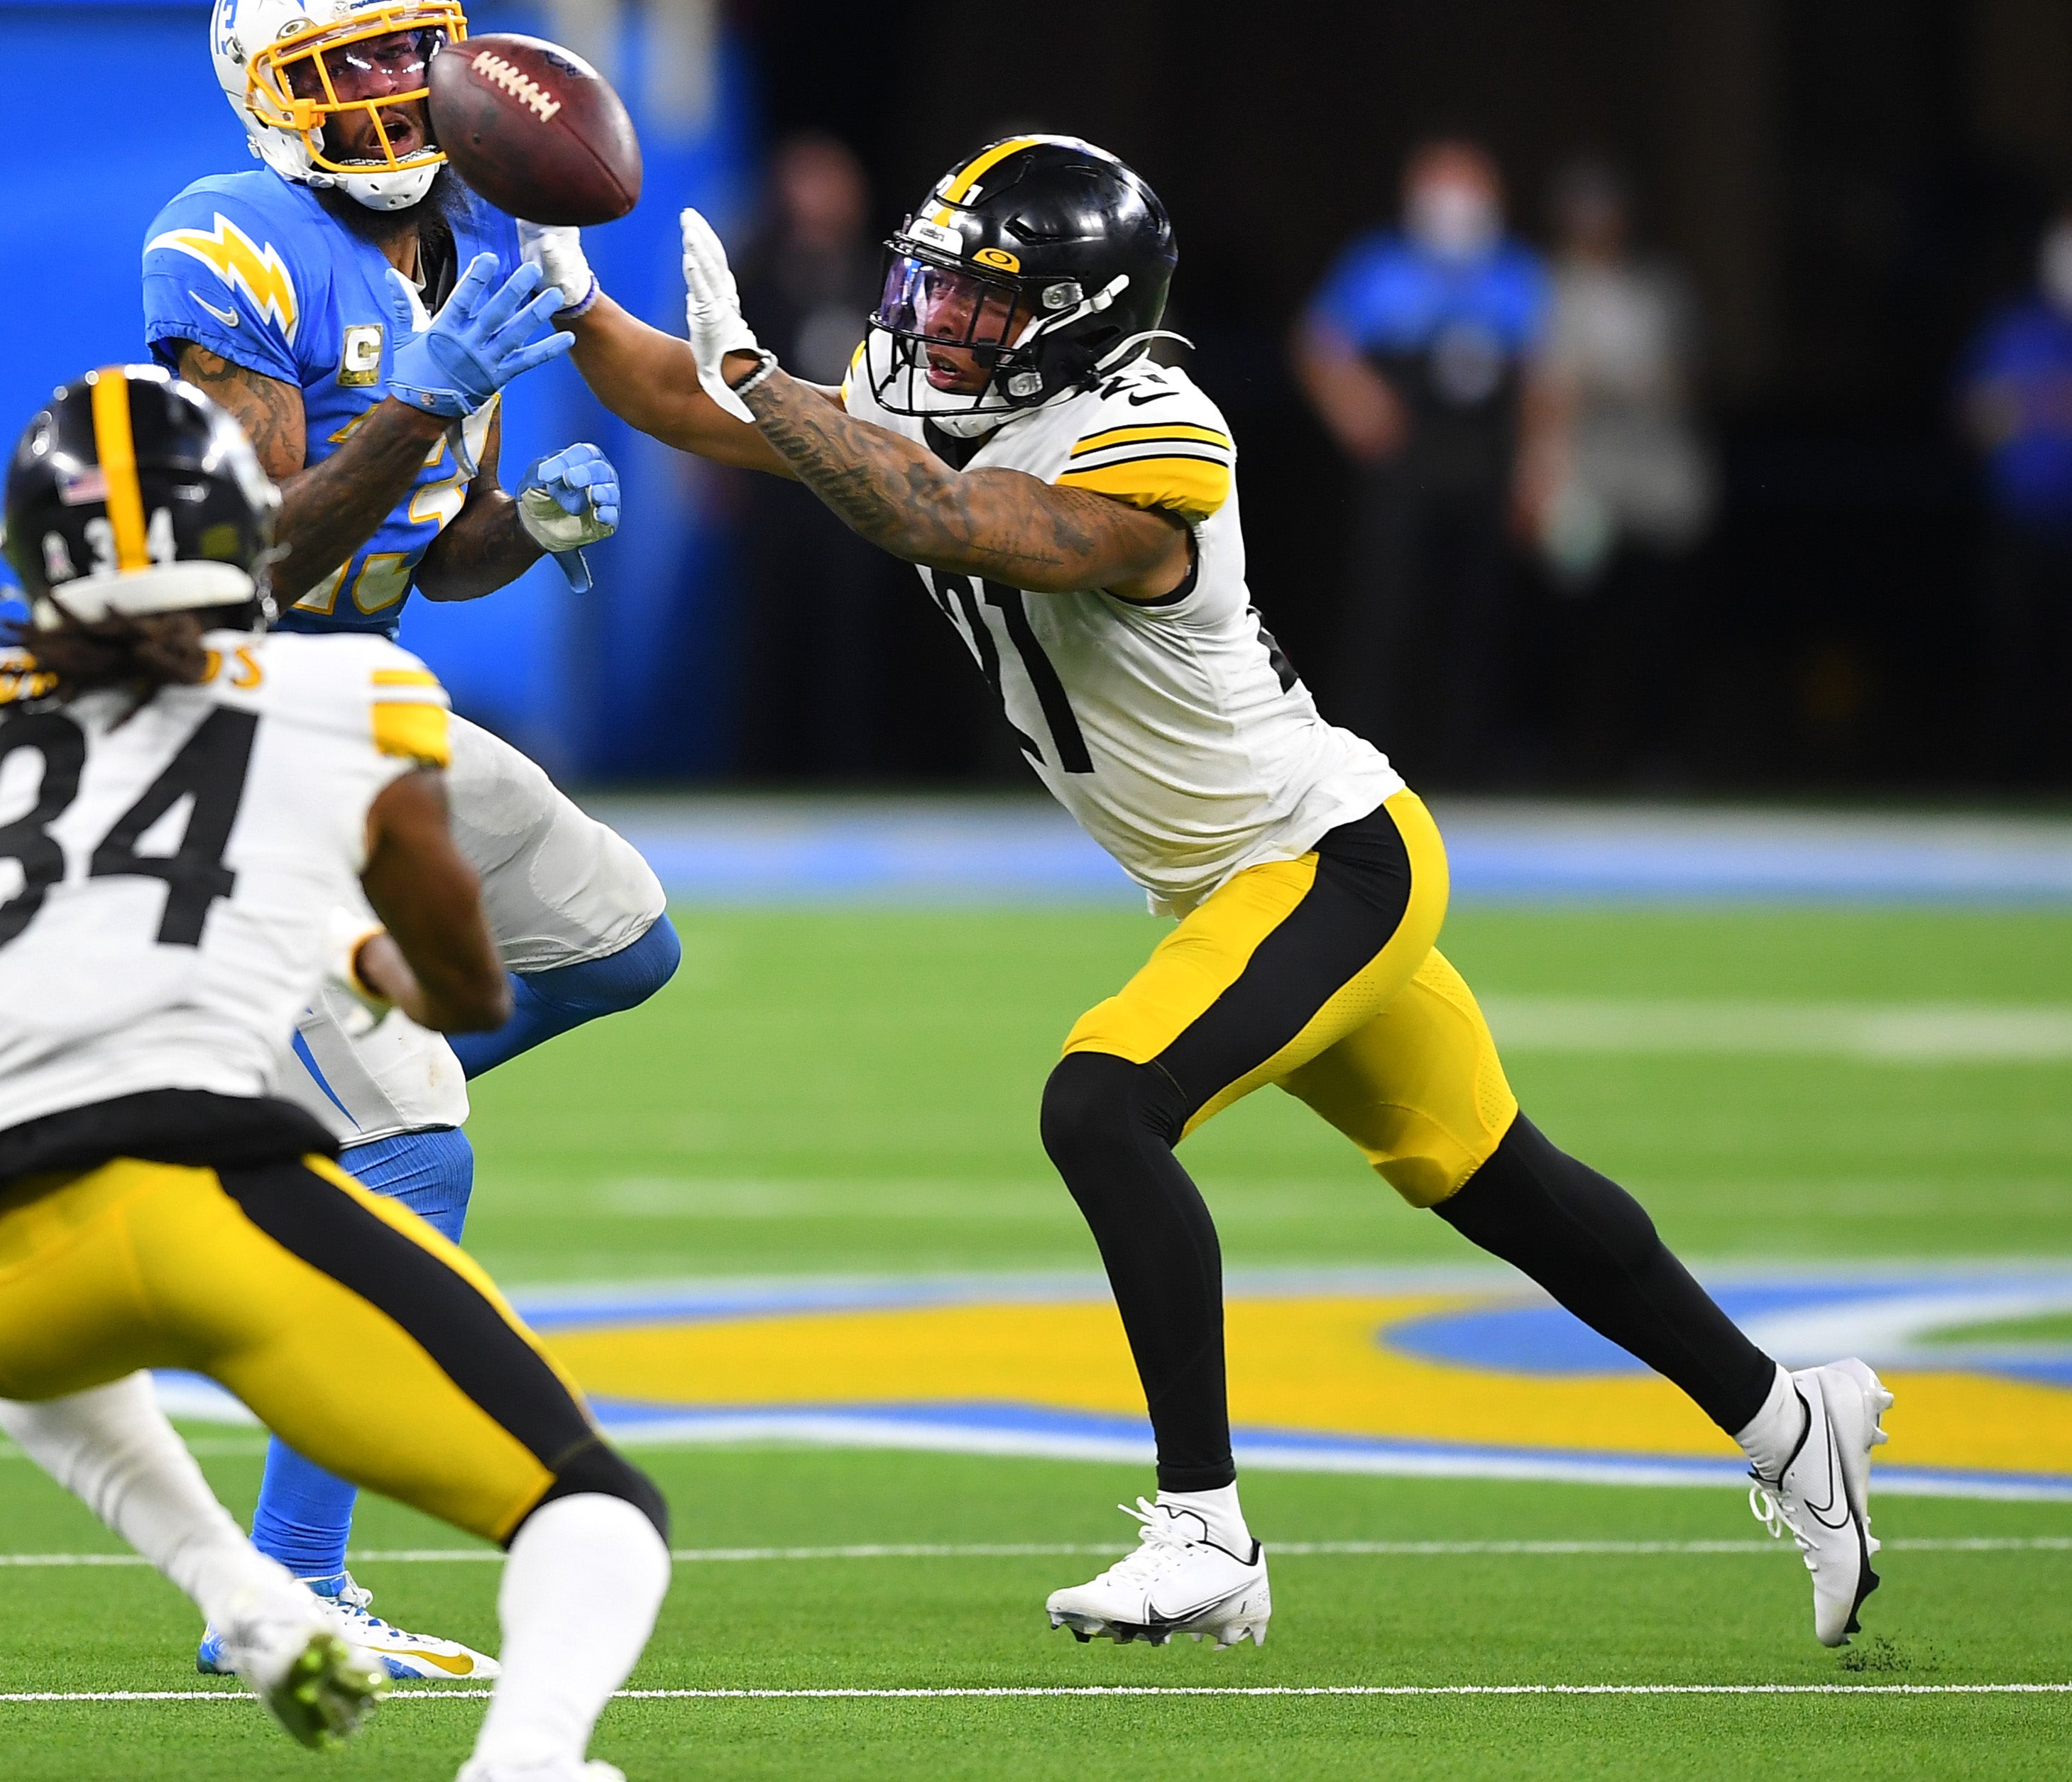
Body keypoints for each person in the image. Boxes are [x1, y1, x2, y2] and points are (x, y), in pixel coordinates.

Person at [517, 135, 1892, 1651]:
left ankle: (1207, 1529)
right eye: (936, 287)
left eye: (980, 301)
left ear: (1078, 319)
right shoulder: (929, 394)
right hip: (1231, 877)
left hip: (1326, 859)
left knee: (1101, 1104)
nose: (931, 325)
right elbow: (674, 396)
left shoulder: (1159, 436)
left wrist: (771, 383)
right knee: (1506, 1181)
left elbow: (947, 521)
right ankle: (1787, 1416)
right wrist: (568, 284)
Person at [0, 365, 668, 1781]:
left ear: (24, 550)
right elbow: (473, 985)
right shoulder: (341, 687)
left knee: (61, 1365)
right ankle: (529, 1759)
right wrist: (370, 964)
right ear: (245, 532)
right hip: (201, 1207)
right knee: (594, 1511)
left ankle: (248, 1595)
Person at [144, 0, 684, 1676]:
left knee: (620, 942)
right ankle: (282, 1593)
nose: (389, 92)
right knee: (415, 1151)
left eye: (405, 53)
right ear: (268, 93)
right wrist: (421, 401)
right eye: (347, 65)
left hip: (375, 694)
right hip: (233, 717)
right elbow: (252, 557)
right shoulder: (225, 245)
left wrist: (526, 520)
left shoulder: (482, 231)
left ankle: (288, 1140)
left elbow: (435, 553)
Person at [1294, 139, 1562, 784]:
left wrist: (1540, 468)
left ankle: (1468, 762)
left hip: (1482, 462)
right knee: (1387, 612)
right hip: (1405, 463)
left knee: (1479, 616)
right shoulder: (1379, 262)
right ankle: (1369, 761)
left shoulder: (1516, 271)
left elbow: (1544, 377)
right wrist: (1359, 410)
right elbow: (1319, 343)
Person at [728, 132, 914, 779]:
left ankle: (849, 772)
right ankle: (762, 773)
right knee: (768, 635)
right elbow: (712, 379)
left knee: (850, 635)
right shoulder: (752, 279)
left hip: (859, 486)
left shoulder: (883, 282)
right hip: (777, 486)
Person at [1535, 159, 1719, 779]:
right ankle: (1572, 753)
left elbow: (1686, 377)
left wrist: (1639, 382)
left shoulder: (1659, 289)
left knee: (1658, 627)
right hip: (1584, 487)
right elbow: (1545, 392)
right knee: (1573, 626)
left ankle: (1658, 755)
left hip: (1660, 487)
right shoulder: (1550, 288)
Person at [1957, 204, 2072, 784]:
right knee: (2019, 658)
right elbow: (1974, 415)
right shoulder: (2014, 329)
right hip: (2022, 525)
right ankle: (2013, 777)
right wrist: (2033, 407)